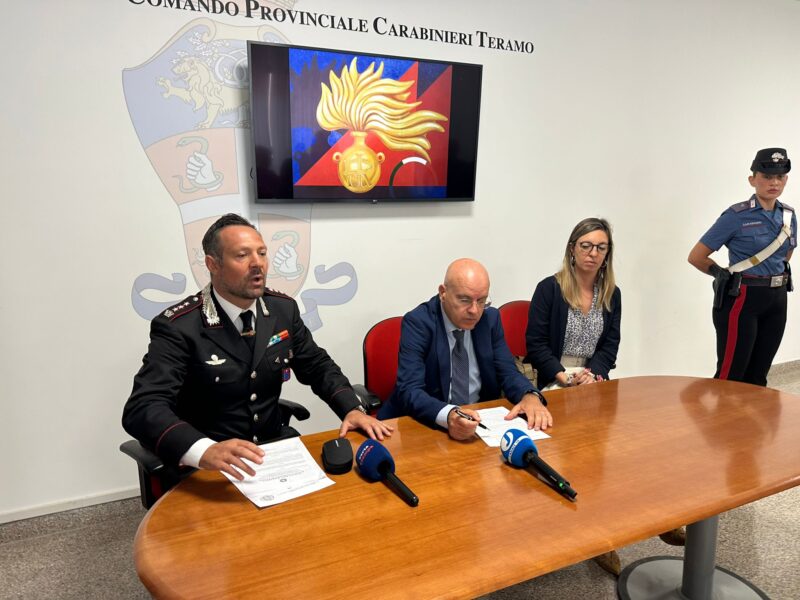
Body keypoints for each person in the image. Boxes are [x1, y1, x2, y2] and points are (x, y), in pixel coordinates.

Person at [123, 214, 392, 481]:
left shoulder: (282, 309)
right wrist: (203, 450)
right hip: (211, 465)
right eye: (242, 255)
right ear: (212, 264)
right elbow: (144, 406)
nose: (258, 264)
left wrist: (351, 409)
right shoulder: (180, 326)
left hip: (272, 449)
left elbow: (317, 365)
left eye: (262, 253)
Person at [378, 258, 552, 440]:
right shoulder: (419, 323)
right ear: (443, 293)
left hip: (479, 423)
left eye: (482, 300)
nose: (474, 310)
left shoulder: (490, 319)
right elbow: (409, 389)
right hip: (423, 424)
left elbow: (507, 371)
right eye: (464, 300)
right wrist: (449, 415)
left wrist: (529, 395)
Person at [688, 148, 795, 386]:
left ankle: (753, 413)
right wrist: (721, 275)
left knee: (759, 375)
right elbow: (696, 256)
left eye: (780, 177)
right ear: (752, 179)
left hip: (777, 298)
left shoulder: (789, 216)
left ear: (786, 180)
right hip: (743, 298)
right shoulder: (736, 216)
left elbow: (786, 254)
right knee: (731, 376)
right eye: (767, 177)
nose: (774, 182)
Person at [526, 218, 621, 391]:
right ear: (572, 249)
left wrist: (592, 375)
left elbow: (610, 346)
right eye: (586, 246)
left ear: (607, 253)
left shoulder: (612, 294)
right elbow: (536, 344)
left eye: (601, 248)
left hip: (591, 378)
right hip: (554, 376)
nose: (593, 253)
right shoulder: (549, 288)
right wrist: (566, 378)